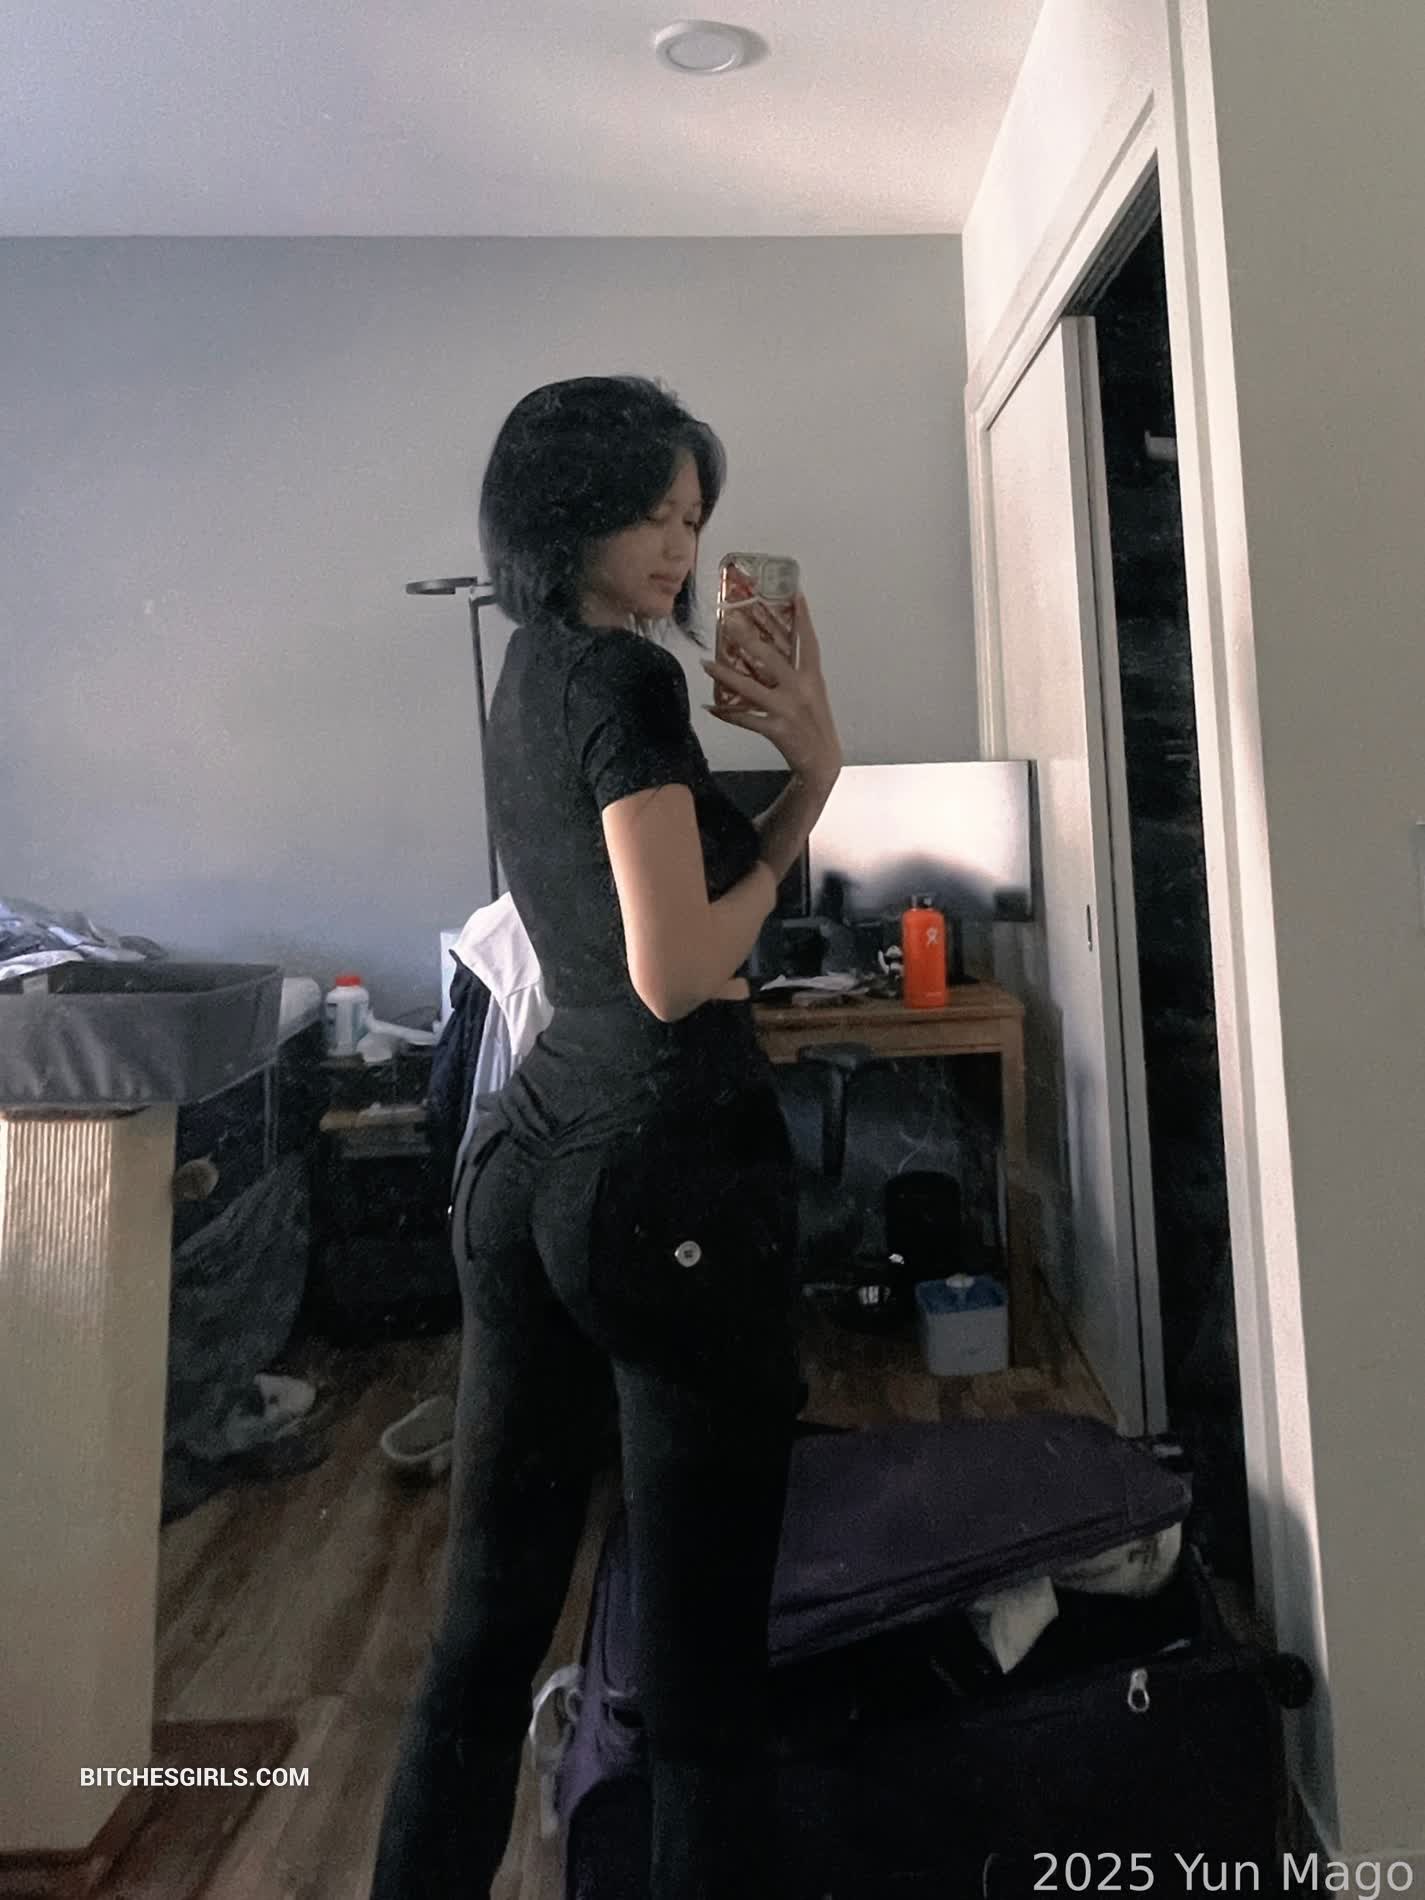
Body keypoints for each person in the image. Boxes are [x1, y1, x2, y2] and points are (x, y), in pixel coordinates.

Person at [368, 375, 842, 1899]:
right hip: (660, 1172)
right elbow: (679, 970)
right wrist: (812, 783)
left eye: (691, 518)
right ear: (562, 514)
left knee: (482, 1633)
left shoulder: (531, 670)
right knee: (702, 1684)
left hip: (527, 1159)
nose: (677, 546)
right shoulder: (627, 683)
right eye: (648, 512)